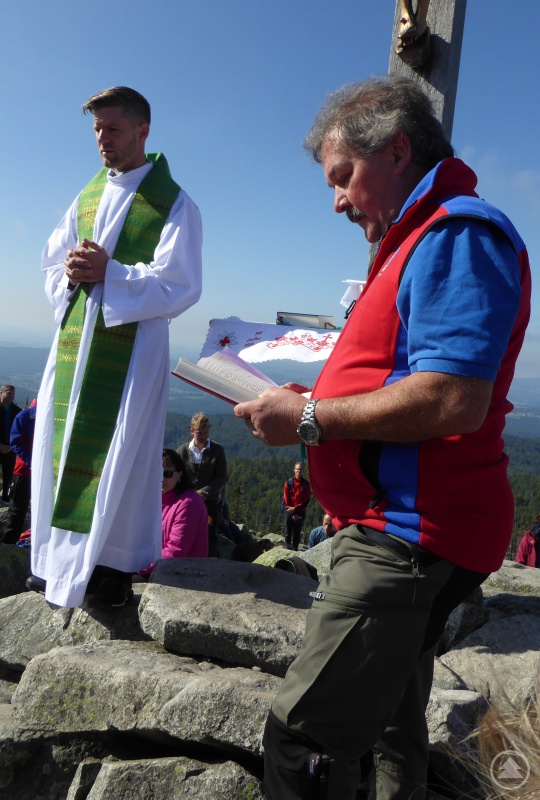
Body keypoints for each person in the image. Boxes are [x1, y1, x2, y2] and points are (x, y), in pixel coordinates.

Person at [234, 74, 531, 800]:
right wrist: (319, 396)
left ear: (397, 149)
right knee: (393, 719)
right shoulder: (414, 239)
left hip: (407, 533)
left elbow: (454, 397)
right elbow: (400, 376)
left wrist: (309, 419)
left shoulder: (457, 233)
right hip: (397, 525)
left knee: (303, 738)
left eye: (344, 177)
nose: (336, 199)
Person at [29, 86, 202, 608]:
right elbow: (50, 263)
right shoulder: (87, 196)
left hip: (130, 352)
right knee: (56, 449)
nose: (102, 139)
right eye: (97, 130)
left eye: (113, 129)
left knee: (123, 453)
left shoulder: (174, 203)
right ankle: (55, 563)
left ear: (143, 132)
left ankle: (110, 567)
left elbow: (181, 283)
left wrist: (113, 273)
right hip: (74, 345)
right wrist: (70, 273)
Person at [139, 449, 208, 575]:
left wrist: (138, 567)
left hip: (184, 574)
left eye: (168, 474)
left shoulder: (189, 503)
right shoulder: (156, 498)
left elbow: (176, 552)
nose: (161, 479)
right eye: (157, 473)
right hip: (159, 568)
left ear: (180, 474)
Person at [177, 413, 227, 557]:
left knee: (209, 532)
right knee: (184, 532)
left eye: (206, 432)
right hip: (186, 501)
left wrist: (204, 492)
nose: (203, 436)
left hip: (210, 501)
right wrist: (191, 494)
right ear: (191, 431)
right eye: (200, 432)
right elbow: (176, 476)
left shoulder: (217, 451)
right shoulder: (183, 450)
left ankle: (209, 563)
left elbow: (221, 478)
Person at [2, 401, 36, 544]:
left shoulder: (56, 417)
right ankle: (8, 543)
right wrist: (33, 461)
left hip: (46, 474)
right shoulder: (25, 416)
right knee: (17, 510)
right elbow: (15, 443)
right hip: (24, 472)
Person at [0, 385, 22, 502]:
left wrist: (11, 446)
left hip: (11, 448)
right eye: (8, 393)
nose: (11, 396)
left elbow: (19, 430)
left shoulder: (17, 411)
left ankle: (6, 497)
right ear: (1, 393)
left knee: (9, 474)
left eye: (12, 393)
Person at [283, 462, 311, 550]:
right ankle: (287, 549)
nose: (298, 471)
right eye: (297, 469)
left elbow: (306, 500)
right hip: (289, 511)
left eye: (300, 470)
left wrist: (295, 509)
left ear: (303, 471)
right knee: (288, 531)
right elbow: (285, 498)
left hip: (300, 512)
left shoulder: (306, 485)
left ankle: (294, 549)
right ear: (294, 470)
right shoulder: (288, 483)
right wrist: (291, 511)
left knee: (297, 533)